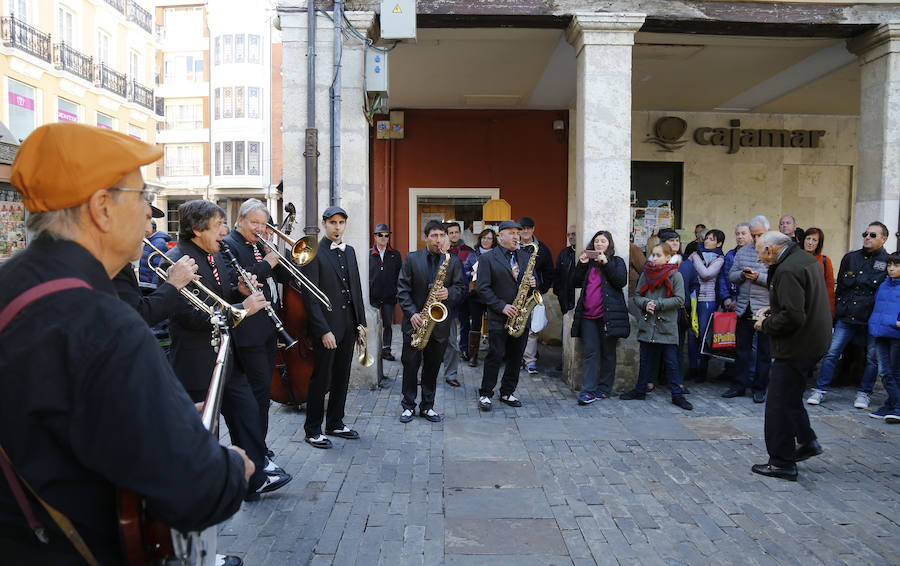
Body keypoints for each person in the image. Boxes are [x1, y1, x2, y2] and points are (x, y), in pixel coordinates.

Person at [0, 123, 252, 564]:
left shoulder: (13, 284)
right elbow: (194, 491)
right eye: (142, 199)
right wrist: (233, 467)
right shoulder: (105, 322)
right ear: (101, 208)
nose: (150, 216)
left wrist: (156, 410)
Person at [166, 200, 291, 501]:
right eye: (219, 226)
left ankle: (254, 479)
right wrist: (242, 308)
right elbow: (191, 315)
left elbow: (224, 294)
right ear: (197, 230)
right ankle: (204, 497)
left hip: (226, 357)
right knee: (204, 434)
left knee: (248, 413)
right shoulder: (177, 260)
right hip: (196, 363)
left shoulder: (216, 254)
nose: (225, 232)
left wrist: (240, 292)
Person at [751, 231, 831, 481]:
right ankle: (806, 442)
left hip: (798, 345)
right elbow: (799, 302)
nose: (758, 260)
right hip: (813, 340)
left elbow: (793, 316)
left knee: (779, 404)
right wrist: (774, 308)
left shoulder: (787, 269)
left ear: (771, 249)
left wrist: (766, 324)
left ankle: (781, 462)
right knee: (791, 396)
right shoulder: (802, 259)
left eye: (759, 252)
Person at [223, 198, 293, 477]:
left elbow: (284, 279)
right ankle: (256, 451)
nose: (260, 229)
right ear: (240, 221)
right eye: (255, 223)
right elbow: (239, 283)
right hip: (248, 331)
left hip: (266, 329)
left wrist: (279, 258)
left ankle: (259, 446)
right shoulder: (230, 244)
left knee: (263, 393)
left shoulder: (257, 244)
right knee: (257, 394)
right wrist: (267, 262)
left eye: (263, 224)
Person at [300, 206, 367, 448]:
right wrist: (323, 330)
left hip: (348, 325)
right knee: (321, 378)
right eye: (333, 223)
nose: (337, 227)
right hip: (327, 329)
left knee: (342, 376)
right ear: (324, 224)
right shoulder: (313, 252)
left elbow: (357, 289)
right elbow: (309, 297)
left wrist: (361, 323)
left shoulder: (349, 251)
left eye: (341, 223)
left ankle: (335, 422)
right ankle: (312, 429)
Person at [808, 222, 891, 408]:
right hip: (847, 315)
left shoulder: (888, 262)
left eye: (872, 235)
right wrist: (837, 310)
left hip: (871, 317)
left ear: (884, 239)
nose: (867, 237)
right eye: (865, 233)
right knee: (831, 353)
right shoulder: (851, 258)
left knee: (872, 358)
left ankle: (864, 393)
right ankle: (820, 389)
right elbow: (841, 288)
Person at [397, 221, 466, 423]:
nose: (438, 240)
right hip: (415, 322)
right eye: (434, 235)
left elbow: (461, 288)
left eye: (441, 236)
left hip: (439, 326)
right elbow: (402, 290)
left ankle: (428, 406)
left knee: (433, 367)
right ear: (425, 236)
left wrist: (449, 292)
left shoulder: (451, 261)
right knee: (410, 366)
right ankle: (408, 406)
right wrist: (412, 313)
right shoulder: (411, 258)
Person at [620, 242, 693, 410]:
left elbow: (680, 299)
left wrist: (657, 303)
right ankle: (640, 391)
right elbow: (637, 296)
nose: (653, 258)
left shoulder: (675, 275)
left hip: (666, 326)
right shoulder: (646, 274)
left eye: (658, 255)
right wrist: (646, 304)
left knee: (671, 362)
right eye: (652, 255)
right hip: (648, 324)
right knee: (645, 361)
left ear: (668, 257)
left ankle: (677, 395)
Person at [476, 220, 537, 411]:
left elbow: (532, 281)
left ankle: (507, 392)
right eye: (511, 233)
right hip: (499, 316)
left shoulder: (525, 256)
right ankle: (486, 394)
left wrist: (535, 283)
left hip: (521, 316)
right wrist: (501, 306)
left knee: (516, 356)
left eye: (517, 233)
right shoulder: (487, 259)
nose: (516, 237)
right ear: (500, 236)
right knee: (496, 354)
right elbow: (482, 288)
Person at [113, 204, 197, 327]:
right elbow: (138, 316)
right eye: (143, 218)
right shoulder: (112, 265)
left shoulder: (119, 262)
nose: (148, 229)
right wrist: (173, 283)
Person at [571, 230, 629, 404]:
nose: (599, 244)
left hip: (608, 317)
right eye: (596, 241)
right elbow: (575, 282)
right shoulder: (587, 263)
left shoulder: (616, 262)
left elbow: (621, 282)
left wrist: (606, 263)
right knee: (591, 352)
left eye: (603, 241)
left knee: (608, 353)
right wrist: (581, 265)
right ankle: (587, 391)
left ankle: (604, 388)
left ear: (609, 244)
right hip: (588, 316)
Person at [724, 215, 771, 403]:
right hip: (744, 307)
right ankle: (739, 385)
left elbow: (778, 281)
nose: (756, 239)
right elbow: (731, 275)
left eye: (760, 234)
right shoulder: (743, 251)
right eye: (754, 235)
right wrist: (743, 275)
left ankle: (759, 388)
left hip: (765, 309)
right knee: (741, 349)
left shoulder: (775, 251)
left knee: (764, 352)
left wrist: (758, 277)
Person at [714, 223, 751, 382]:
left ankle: (749, 374)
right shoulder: (730, 255)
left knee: (748, 344)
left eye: (743, 233)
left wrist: (740, 300)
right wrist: (727, 299)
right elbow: (723, 279)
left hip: (747, 305)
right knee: (729, 339)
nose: (740, 237)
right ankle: (729, 371)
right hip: (730, 303)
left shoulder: (756, 254)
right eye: (737, 234)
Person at [518, 217, 555, 375]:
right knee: (517, 327)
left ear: (533, 229)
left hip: (533, 294)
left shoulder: (542, 249)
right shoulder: (513, 246)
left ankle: (530, 361)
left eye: (528, 228)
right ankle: (516, 358)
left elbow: (549, 272)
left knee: (533, 330)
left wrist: (540, 288)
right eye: (522, 228)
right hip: (516, 294)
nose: (525, 231)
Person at [688, 229, 725, 381]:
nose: (707, 241)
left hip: (708, 300)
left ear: (719, 243)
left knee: (703, 335)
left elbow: (706, 274)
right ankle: (691, 368)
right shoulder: (697, 253)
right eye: (707, 238)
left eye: (711, 239)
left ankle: (703, 370)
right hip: (693, 298)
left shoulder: (719, 258)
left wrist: (695, 257)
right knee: (691, 335)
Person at [868, 252, 900, 422]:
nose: (891, 268)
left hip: (896, 334)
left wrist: (896, 323)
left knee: (894, 372)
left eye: (896, 265)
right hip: (880, 332)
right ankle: (892, 404)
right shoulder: (884, 284)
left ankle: (897, 406)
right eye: (889, 265)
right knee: (885, 371)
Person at [463, 228, 497, 367]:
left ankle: (495, 355)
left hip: (493, 295)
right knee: (475, 326)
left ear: (493, 241)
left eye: (489, 238)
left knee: (495, 326)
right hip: (476, 295)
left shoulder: (498, 254)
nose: (486, 241)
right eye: (483, 238)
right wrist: (471, 272)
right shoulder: (473, 255)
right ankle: (473, 355)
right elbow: (463, 270)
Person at [369, 223, 403, 361]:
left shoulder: (395, 255)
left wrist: (397, 292)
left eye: (386, 235)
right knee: (373, 323)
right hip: (373, 296)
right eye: (380, 235)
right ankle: (372, 349)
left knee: (388, 324)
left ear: (389, 237)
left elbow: (400, 275)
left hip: (389, 296)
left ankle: (386, 350)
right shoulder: (369, 254)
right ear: (375, 237)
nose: (383, 237)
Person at [446, 222, 475, 361]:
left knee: (464, 322)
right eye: (451, 232)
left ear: (460, 233)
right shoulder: (443, 251)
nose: (454, 235)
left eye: (456, 232)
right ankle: (445, 351)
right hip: (447, 293)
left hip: (464, 293)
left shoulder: (469, 251)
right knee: (446, 323)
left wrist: (466, 273)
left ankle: (464, 349)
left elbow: (476, 272)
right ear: (447, 235)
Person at [802, 227, 835, 319]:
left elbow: (829, 287)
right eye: (808, 238)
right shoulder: (794, 258)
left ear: (819, 243)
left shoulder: (825, 261)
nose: (810, 242)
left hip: (816, 307)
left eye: (814, 240)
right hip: (797, 306)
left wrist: (830, 312)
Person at [140, 217, 173, 286]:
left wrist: (154, 286)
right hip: (146, 282)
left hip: (150, 285)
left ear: (151, 228)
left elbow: (158, 267)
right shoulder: (150, 240)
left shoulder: (159, 243)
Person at [554, 225, 578, 316]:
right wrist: (560, 293)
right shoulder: (564, 253)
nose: (570, 237)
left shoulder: (587, 253)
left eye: (573, 234)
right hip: (565, 301)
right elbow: (557, 274)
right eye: (568, 235)